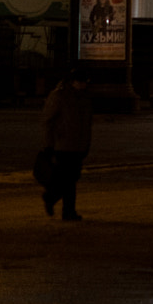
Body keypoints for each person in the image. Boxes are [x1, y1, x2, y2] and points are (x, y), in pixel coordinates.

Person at [41, 68, 94, 221]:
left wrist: (86, 144)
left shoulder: (84, 98)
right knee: (68, 180)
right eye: (80, 82)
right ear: (72, 82)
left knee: (72, 178)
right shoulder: (59, 96)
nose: (83, 85)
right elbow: (47, 122)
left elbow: (86, 124)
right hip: (62, 145)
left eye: (85, 82)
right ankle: (66, 210)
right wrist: (48, 145)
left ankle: (53, 199)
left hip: (78, 145)